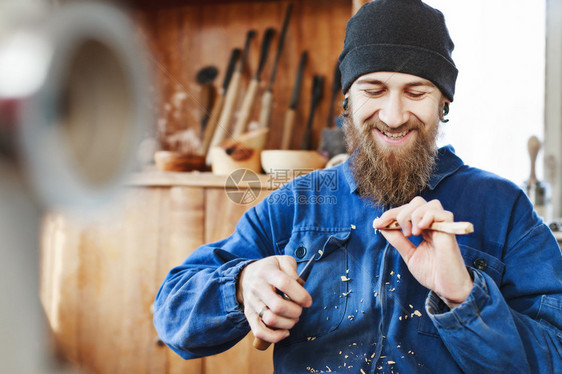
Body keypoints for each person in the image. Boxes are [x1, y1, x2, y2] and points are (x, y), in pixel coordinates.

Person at [153, 0, 562, 372]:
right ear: (348, 98)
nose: (394, 114)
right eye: (374, 89)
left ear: (444, 103)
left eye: (416, 91)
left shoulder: (504, 208)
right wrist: (242, 286)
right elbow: (173, 314)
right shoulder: (297, 204)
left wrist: (465, 297)